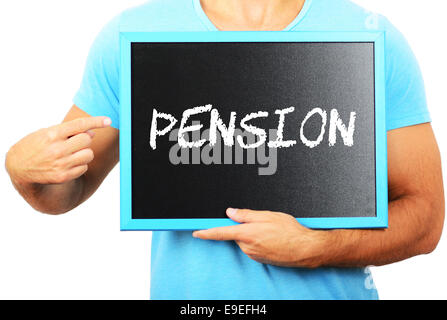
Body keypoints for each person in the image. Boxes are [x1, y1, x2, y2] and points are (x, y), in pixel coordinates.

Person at [5, 0, 444, 300]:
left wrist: (317, 247)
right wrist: (22, 170)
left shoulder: (367, 34)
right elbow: (66, 191)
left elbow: (424, 219)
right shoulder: (134, 34)